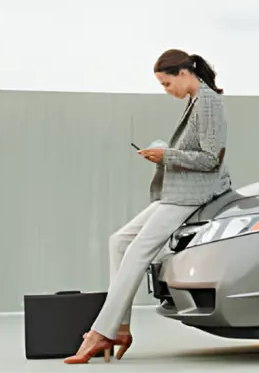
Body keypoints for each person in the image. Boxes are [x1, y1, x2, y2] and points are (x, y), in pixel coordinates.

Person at [64, 49, 231, 364]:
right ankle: (120, 328)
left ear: (184, 73)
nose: (166, 90)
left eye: (167, 83)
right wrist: (164, 152)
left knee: (137, 251)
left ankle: (100, 332)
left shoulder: (208, 102)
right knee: (119, 242)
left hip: (194, 194)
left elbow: (211, 159)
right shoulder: (195, 101)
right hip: (179, 192)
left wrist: (166, 156)